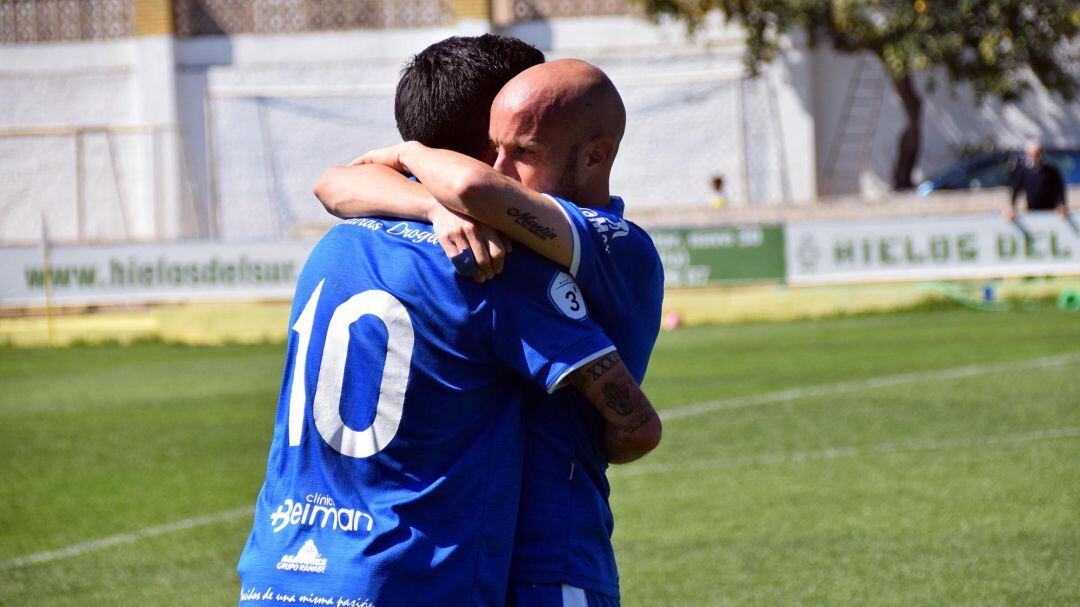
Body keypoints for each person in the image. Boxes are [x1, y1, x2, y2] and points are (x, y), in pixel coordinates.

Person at [237, 36, 661, 607]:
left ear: (594, 154)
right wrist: (430, 200)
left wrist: (411, 166)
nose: (506, 168)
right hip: (457, 568)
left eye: (525, 150)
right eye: (497, 147)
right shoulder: (493, 268)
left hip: (293, 565)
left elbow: (355, 183)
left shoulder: (338, 245)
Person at [1006, 139, 1068, 220]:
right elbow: (1016, 190)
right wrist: (1012, 207)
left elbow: (1059, 191)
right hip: (1032, 213)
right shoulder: (1024, 171)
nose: (1037, 157)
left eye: (1038, 153)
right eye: (1033, 154)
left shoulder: (1051, 171)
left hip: (1050, 213)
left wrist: (1061, 205)